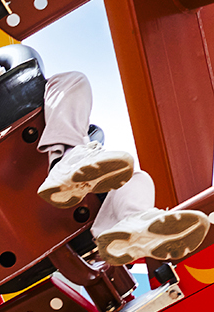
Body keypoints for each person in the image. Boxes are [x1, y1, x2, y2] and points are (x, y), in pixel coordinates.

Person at [35, 71, 209, 265]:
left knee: (137, 178)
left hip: (58, 233)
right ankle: (67, 160)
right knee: (73, 80)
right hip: (66, 226)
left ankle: (132, 224)